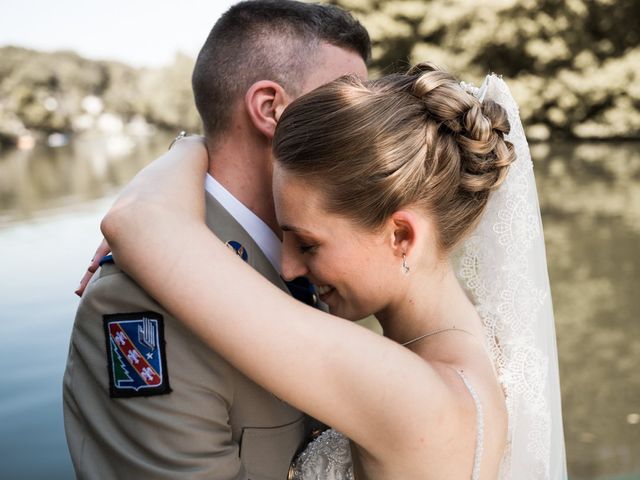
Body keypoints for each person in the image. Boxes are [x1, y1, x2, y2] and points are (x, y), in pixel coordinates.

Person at [99, 63, 568, 479]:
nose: (287, 266)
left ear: (402, 236)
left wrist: (194, 146)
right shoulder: (488, 345)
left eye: (307, 243)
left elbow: (137, 220)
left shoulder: (401, 389)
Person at [62, 1, 370, 479]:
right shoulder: (139, 298)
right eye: (342, 105)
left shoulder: (322, 254)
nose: (363, 131)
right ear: (271, 109)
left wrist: (187, 148)